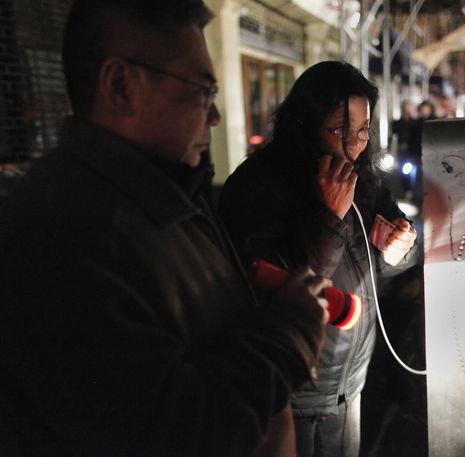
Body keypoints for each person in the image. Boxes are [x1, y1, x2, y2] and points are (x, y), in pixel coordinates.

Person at [0, 1, 330, 455]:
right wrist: (290, 331)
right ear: (122, 86)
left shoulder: (157, 192)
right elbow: (173, 431)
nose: (214, 117)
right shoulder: (64, 231)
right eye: (203, 91)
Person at [219, 61, 418, 457]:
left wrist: (401, 246)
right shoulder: (258, 186)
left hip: (351, 379)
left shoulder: (362, 178)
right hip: (295, 390)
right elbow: (267, 286)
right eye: (339, 130)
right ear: (304, 124)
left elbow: (384, 249)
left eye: (362, 130)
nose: (354, 145)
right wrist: (327, 220)